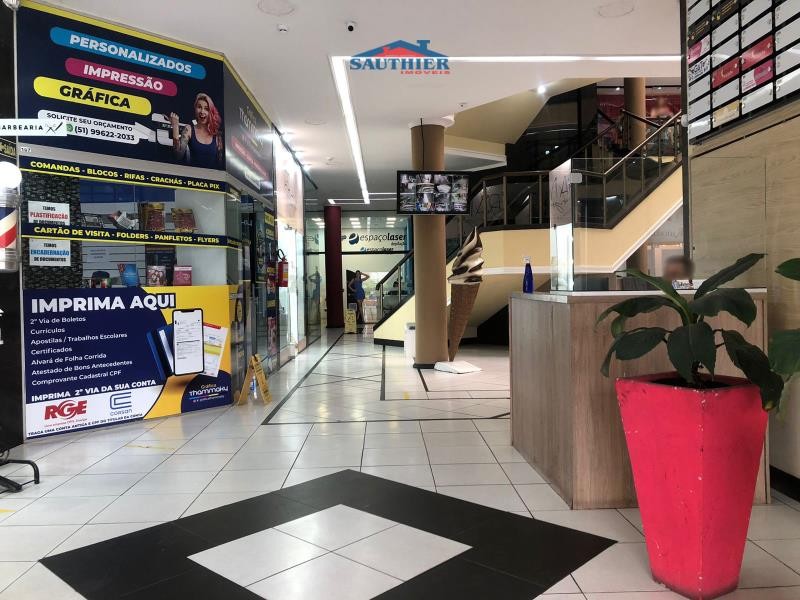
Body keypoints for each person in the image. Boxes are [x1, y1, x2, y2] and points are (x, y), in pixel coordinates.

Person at [169, 93, 224, 169]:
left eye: (206, 109)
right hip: (193, 175)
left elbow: (220, 165)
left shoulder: (217, 136)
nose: (202, 111)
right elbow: (177, 156)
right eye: (199, 107)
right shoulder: (189, 129)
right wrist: (175, 126)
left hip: (212, 176)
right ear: (195, 109)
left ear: (210, 112)